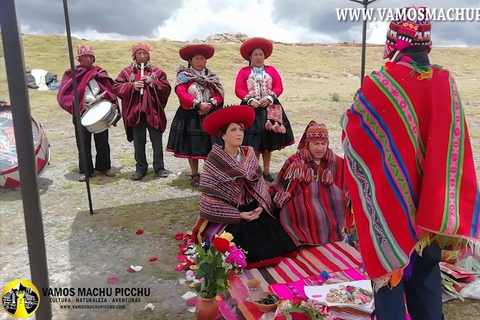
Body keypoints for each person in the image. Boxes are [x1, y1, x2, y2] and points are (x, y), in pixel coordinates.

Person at [341, 7, 480, 320]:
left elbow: (352, 137)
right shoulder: (445, 82)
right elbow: (454, 147)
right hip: (430, 209)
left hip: (391, 206)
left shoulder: (379, 84)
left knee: (389, 279)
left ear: (394, 40)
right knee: (427, 279)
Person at [192, 106, 298, 268]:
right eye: (233, 130)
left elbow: (260, 184)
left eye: (241, 129)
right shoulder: (213, 161)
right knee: (248, 245)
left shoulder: (249, 154)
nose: (239, 133)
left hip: (252, 206)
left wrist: (262, 206)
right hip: (230, 211)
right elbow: (210, 196)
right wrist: (239, 215)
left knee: (275, 239)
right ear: (223, 135)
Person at [269, 121, 347, 246]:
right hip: (303, 208)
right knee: (307, 214)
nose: (320, 148)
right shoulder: (295, 162)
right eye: (315, 143)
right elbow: (279, 187)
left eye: (323, 144)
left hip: (331, 208)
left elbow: (349, 190)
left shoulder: (337, 162)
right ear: (307, 143)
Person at [234, 37, 295, 182]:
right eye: (255, 54)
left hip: (270, 107)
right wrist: (250, 99)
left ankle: (267, 171)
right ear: (250, 57)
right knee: (253, 142)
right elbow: (238, 89)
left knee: (268, 141)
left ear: (264, 56)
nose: (258, 57)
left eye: (261, 54)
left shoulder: (271, 70)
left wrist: (269, 98)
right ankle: (254, 170)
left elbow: (279, 86)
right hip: (251, 109)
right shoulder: (243, 72)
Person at [57, 44, 118, 182]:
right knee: (83, 142)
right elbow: (64, 95)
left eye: (91, 56)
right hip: (81, 112)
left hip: (99, 111)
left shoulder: (99, 72)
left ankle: (104, 167)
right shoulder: (72, 74)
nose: (89, 59)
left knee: (103, 140)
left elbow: (109, 89)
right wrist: (78, 104)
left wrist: (106, 99)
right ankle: (86, 170)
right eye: (85, 56)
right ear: (79, 58)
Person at [166, 44, 225, 187]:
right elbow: (181, 92)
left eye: (202, 58)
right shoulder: (183, 76)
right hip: (190, 115)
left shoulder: (212, 77)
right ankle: (194, 174)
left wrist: (211, 103)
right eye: (196, 58)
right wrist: (198, 104)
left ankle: (210, 173)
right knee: (192, 146)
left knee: (210, 145)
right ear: (190, 61)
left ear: (206, 61)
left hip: (210, 114)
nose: (199, 61)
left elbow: (219, 93)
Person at [114, 43, 171, 180]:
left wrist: (153, 82)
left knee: (157, 142)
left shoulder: (157, 72)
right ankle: (140, 168)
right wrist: (132, 86)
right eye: (139, 53)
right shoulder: (127, 72)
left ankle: (159, 167)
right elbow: (116, 87)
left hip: (153, 113)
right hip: (135, 113)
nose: (142, 56)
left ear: (148, 55)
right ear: (134, 56)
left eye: (144, 53)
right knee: (139, 142)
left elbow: (166, 88)